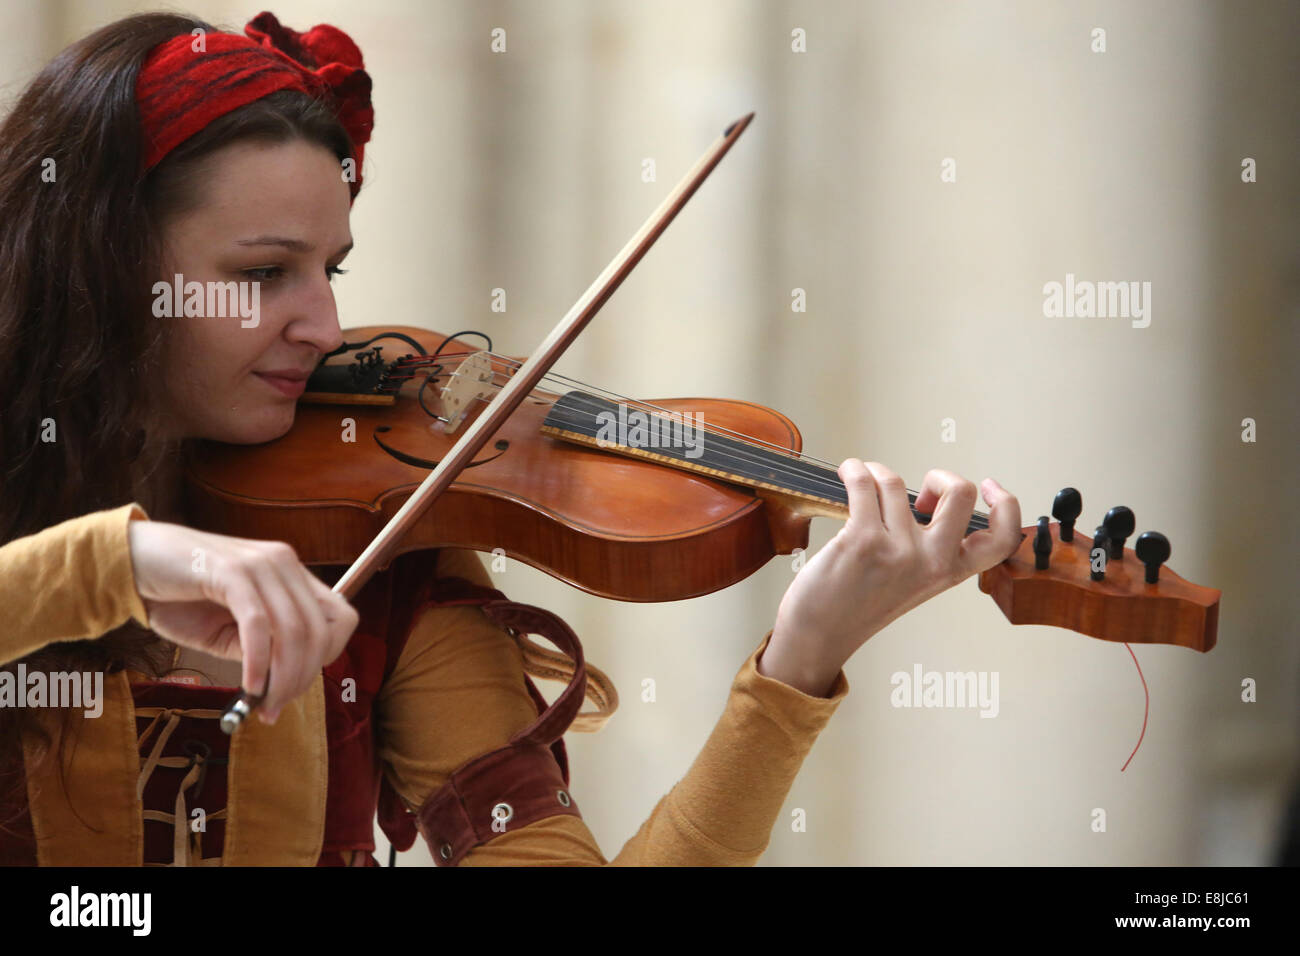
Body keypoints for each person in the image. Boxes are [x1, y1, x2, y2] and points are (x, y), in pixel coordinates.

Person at [0, 11, 1021, 867]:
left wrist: (798, 662)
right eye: (263, 273)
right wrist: (120, 559)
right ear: (106, 265)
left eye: (331, 271)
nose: (322, 327)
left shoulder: (382, 551)